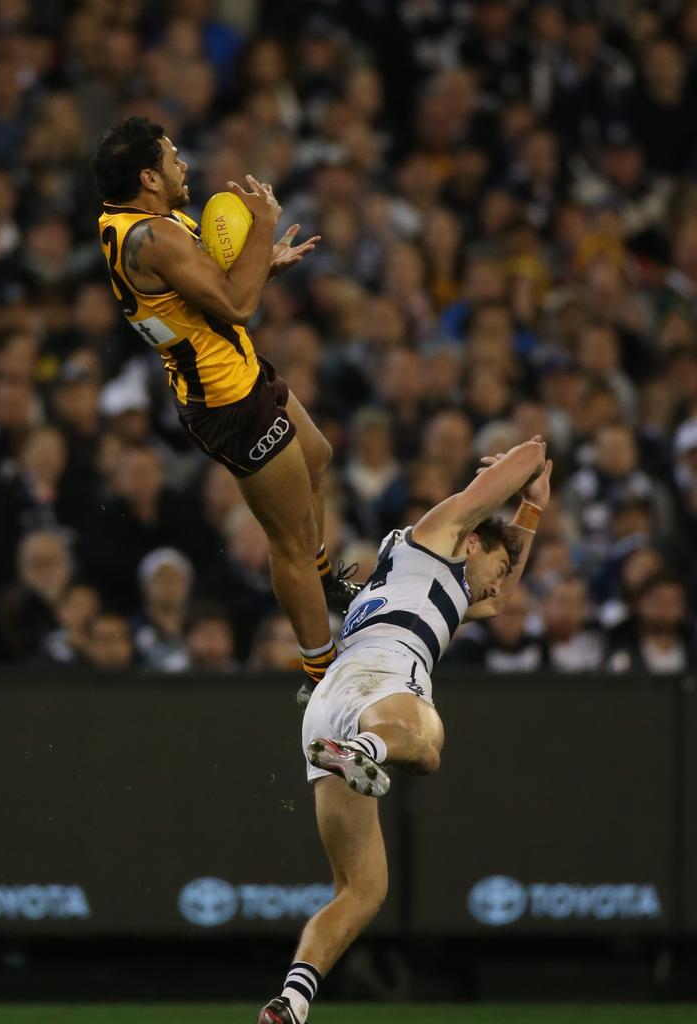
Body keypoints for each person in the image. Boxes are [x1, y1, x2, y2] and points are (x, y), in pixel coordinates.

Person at [257, 437, 552, 1024]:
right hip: (383, 677)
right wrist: (531, 476)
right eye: (497, 566)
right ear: (472, 541)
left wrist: (531, 516)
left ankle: (292, 1000)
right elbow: (531, 452)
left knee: (363, 890)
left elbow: (498, 600)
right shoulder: (436, 536)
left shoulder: (441, 584)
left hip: (328, 702)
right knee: (430, 743)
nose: (499, 584)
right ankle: (366, 749)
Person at [92, 115, 358, 689]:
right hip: (227, 402)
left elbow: (209, 294)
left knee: (317, 457)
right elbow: (237, 307)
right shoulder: (155, 237)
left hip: (238, 373)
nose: (182, 164)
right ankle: (322, 674)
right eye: (171, 158)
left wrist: (264, 263)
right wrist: (262, 227)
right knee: (287, 539)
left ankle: (324, 580)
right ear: (149, 177)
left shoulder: (128, 221)